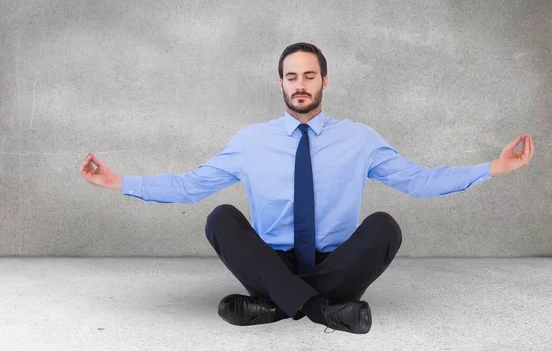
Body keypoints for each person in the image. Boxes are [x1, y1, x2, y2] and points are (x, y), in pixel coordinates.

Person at [80, 42, 534, 335]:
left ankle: (276, 306)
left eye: (309, 76)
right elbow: (190, 185)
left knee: (385, 225)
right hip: (271, 260)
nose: (300, 85)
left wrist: (493, 166)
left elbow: (418, 180)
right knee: (221, 218)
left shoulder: (359, 138)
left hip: (335, 262)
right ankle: (323, 311)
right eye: (291, 77)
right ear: (280, 83)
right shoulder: (250, 141)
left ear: (324, 81)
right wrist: (118, 181)